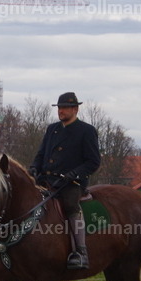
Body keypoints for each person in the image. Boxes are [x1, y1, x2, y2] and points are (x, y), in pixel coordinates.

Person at [29, 92, 101, 269]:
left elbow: (93, 162)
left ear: (75, 109)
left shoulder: (86, 131)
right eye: (59, 107)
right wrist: (34, 168)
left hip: (71, 183)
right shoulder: (52, 129)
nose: (61, 111)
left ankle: (81, 252)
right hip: (46, 180)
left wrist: (74, 174)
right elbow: (41, 154)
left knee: (70, 205)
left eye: (65, 108)